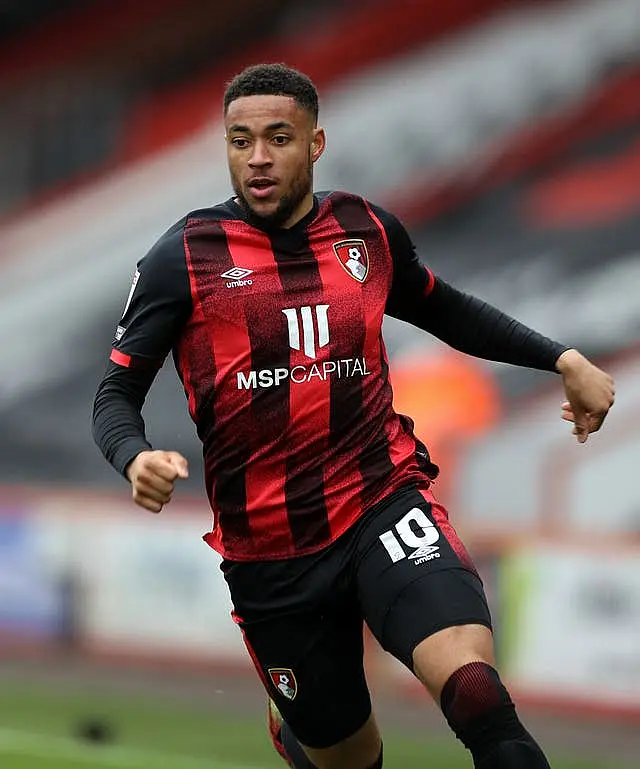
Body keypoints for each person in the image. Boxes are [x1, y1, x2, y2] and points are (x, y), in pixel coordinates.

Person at [92, 63, 615, 769]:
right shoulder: (182, 258)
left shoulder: (364, 231)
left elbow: (444, 308)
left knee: (477, 693)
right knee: (347, 759)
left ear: (315, 144)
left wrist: (563, 359)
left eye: (278, 138)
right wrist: (135, 455)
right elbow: (115, 394)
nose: (258, 158)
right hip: (272, 554)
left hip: (381, 500)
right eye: (240, 141)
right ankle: (299, 728)